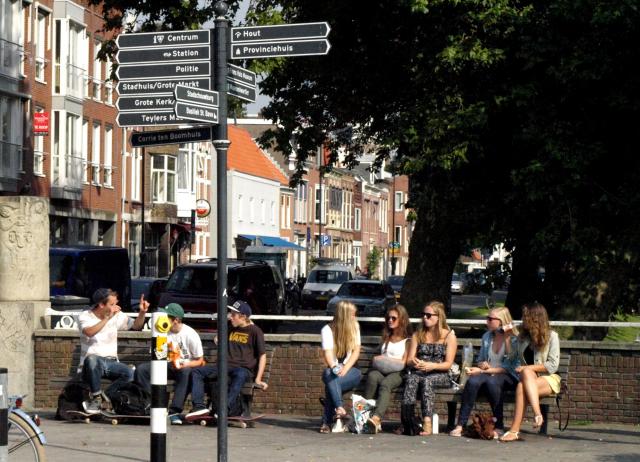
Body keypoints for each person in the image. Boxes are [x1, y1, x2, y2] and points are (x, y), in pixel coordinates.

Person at [186, 300, 268, 419]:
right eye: (230, 314)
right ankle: (199, 407)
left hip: (242, 369)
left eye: (233, 315)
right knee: (197, 371)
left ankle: (224, 408)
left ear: (243, 317)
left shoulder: (255, 331)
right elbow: (218, 338)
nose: (230, 317)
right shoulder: (230, 328)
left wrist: (258, 379)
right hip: (224, 367)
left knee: (239, 374)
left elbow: (262, 356)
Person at [449, 307, 520, 438]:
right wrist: (483, 364)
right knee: (472, 381)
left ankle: (498, 426)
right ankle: (461, 424)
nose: (486, 321)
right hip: (489, 374)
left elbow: (510, 367)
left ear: (502, 321)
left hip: (508, 376)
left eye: (490, 319)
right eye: (487, 318)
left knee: (492, 382)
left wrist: (482, 370)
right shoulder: (487, 336)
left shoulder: (514, 339)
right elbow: (480, 359)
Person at [78, 288, 148, 414]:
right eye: (112, 304)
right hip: (90, 365)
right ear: (101, 304)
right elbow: (89, 332)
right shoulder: (85, 316)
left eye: (115, 303)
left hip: (111, 363)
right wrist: (107, 318)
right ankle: (96, 398)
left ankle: (104, 397)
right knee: (92, 359)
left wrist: (142, 312)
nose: (116, 307)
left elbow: (136, 326)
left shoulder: (117, 316)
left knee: (130, 373)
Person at [134, 303, 205, 425]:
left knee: (186, 372)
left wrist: (185, 364)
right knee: (142, 369)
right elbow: (157, 357)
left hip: (184, 366)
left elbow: (200, 360)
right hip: (166, 364)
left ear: (176, 320)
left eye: (167, 317)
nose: (163, 319)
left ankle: (174, 411)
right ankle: (150, 405)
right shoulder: (161, 331)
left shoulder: (190, 334)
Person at [500, 302, 561, 442]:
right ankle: (537, 414)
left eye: (525, 316)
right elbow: (509, 360)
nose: (522, 319)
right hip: (528, 379)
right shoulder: (522, 338)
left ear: (535, 318)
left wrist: (528, 368)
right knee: (524, 380)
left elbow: (552, 365)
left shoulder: (552, 336)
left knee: (524, 380)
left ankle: (514, 430)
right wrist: (508, 338)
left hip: (549, 379)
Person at [402, 301, 457, 436]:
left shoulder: (449, 336)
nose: (425, 318)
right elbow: (409, 360)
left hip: (442, 373)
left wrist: (432, 366)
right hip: (420, 370)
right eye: (423, 315)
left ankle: (427, 421)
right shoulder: (417, 334)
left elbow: (448, 364)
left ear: (438, 317)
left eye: (428, 315)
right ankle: (408, 421)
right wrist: (414, 362)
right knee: (411, 379)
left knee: (427, 381)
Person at [363, 304, 411, 434]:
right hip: (381, 370)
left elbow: (404, 362)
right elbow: (378, 355)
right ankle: (364, 416)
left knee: (385, 384)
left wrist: (385, 359)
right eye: (388, 318)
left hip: (398, 372)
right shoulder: (386, 337)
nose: (390, 320)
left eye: (394, 318)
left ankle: (376, 418)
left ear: (402, 320)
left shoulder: (407, 341)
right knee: (372, 376)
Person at [319, 301, 362, 434]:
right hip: (335, 371)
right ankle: (339, 409)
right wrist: (336, 368)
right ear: (345, 316)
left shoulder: (355, 326)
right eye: (353, 315)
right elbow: (328, 354)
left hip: (352, 370)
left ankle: (327, 421)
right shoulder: (327, 330)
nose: (355, 318)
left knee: (330, 381)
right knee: (329, 375)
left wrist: (345, 368)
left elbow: (356, 351)